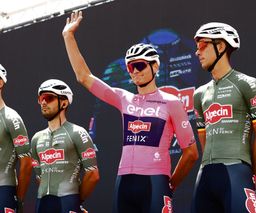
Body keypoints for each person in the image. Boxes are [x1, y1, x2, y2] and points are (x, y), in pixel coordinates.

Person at [62, 11, 199, 213]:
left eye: (139, 65)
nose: (134, 71)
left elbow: (191, 153)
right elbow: (84, 76)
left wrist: (170, 184)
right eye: (130, 67)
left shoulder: (172, 103)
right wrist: (68, 37)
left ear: (155, 66)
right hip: (123, 181)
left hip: (156, 181)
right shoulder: (124, 98)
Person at [192, 22, 256, 213]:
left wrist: (253, 175)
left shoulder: (247, 84)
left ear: (220, 46)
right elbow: (204, 141)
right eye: (196, 48)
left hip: (236, 172)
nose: (197, 52)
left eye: (202, 45)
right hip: (205, 176)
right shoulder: (199, 94)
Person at [31, 79, 100, 213]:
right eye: (41, 98)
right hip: (42, 203)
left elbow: (93, 174)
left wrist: (76, 201)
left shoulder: (78, 133)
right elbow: (39, 177)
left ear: (64, 103)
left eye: (48, 98)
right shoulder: (36, 138)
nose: (43, 102)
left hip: (67, 201)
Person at [0, 64, 33, 213]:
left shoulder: (12, 118)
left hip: (4, 190)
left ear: (0, 82)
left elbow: (26, 164)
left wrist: (18, 199)